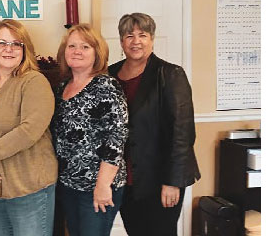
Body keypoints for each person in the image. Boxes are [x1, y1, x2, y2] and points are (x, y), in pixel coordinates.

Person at [108, 12, 201, 235]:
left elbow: (183, 133)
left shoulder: (169, 74)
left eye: (143, 35)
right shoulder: (110, 74)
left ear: (152, 39)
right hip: (124, 179)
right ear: (121, 41)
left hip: (160, 178)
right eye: (129, 36)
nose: (136, 41)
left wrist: (173, 182)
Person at [0, 19, 58, 236]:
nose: (9, 49)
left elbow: (29, 131)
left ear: (25, 49)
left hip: (29, 189)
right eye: (2, 43)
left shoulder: (34, 81)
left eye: (16, 44)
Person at [51, 24, 128, 236]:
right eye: (72, 45)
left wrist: (103, 185)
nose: (77, 51)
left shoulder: (106, 86)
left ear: (97, 52)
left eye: (85, 47)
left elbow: (116, 138)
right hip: (69, 184)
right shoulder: (62, 87)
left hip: (97, 186)